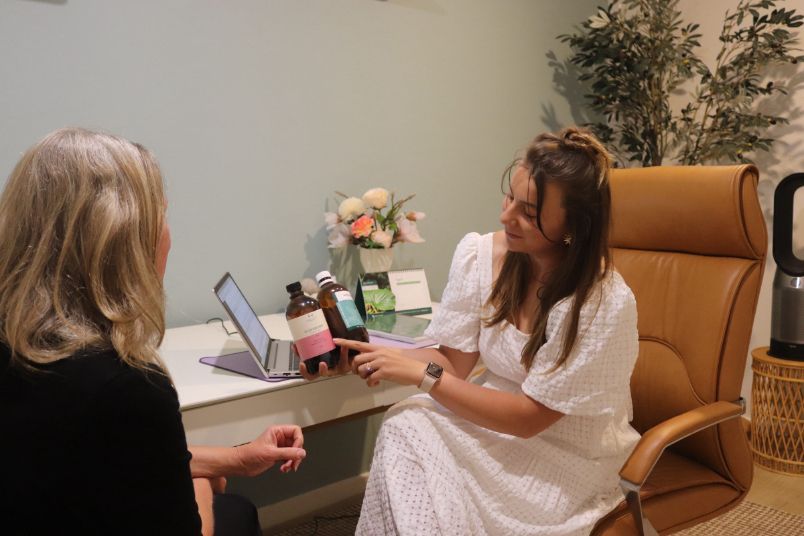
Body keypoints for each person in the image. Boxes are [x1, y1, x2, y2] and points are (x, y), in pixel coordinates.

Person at [328, 127, 640, 535]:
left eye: (529, 212)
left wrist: (422, 375)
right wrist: (376, 358)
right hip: (491, 419)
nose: (506, 217)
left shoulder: (599, 303)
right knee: (405, 422)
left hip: (564, 453)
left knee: (413, 425)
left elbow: (528, 419)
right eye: (510, 198)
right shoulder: (482, 256)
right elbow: (452, 363)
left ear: (574, 225)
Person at [0, 128, 306, 536]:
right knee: (237, 510)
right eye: (161, 216)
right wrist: (198, 482)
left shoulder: (21, 347)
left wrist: (237, 459)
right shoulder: (127, 388)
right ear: (126, 241)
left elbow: (110, 456)